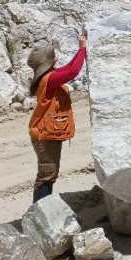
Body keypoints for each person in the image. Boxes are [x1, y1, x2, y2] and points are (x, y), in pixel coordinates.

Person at [27, 35, 87, 203]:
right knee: (47, 174)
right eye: (53, 55)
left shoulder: (49, 76)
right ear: (49, 62)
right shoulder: (49, 79)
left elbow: (69, 68)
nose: (56, 56)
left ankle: (42, 211)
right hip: (44, 134)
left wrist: (81, 49)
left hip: (45, 133)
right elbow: (73, 71)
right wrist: (82, 48)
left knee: (49, 172)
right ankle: (39, 212)